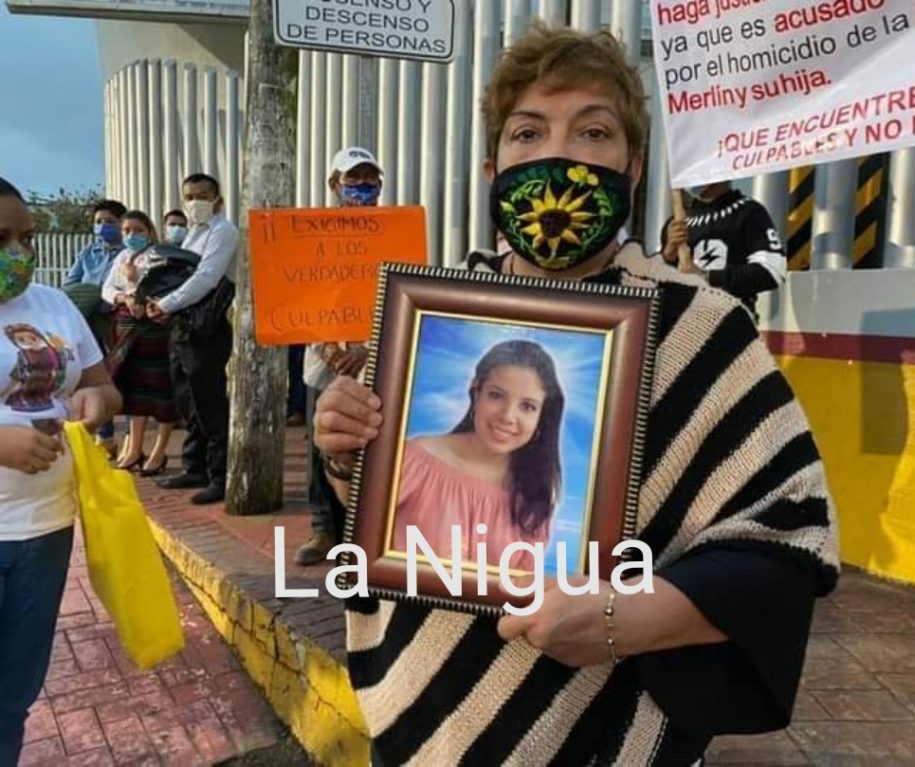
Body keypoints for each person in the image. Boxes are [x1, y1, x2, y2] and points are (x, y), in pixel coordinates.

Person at [314, 23, 839, 765]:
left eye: (592, 131)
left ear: (633, 165)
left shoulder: (700, 329)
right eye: (529, 134)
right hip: (420, 718)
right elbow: (373, 524)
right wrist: (343, 452)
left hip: (602, 731)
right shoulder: (427, 318)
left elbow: (788, 540)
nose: (558, 157)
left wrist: (629, 618)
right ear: (494, 167)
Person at [0, 177, 122, 765]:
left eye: (25, 237)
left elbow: (101, 385)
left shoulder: (52, 304)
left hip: (46, 529)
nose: (17, 253)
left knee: (14, 695)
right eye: (0, 238)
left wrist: (99, 404)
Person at [394, 340, 562, 571]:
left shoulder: (534, 498)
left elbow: (519, 587)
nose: (508, 416)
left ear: (542, 416)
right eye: (496, 395)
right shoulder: (413, 460)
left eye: (528, 407)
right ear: (476, 392)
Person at [293, 147, 381, 565]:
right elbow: (300, 296)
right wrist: (328, 345)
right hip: (323, 362)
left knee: (369, 445)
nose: (363, 186)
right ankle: (323, 529)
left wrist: (367, 349)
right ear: (334, 184)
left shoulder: (395, 234)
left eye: (369, 178)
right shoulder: (313, 236)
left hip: (377, 361)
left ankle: (361, 534)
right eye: (353, 178)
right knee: (321, 445)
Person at [149, 174, 238, 505]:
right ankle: (194, 466)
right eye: (189, 196)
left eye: (202, 195)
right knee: (188, 399)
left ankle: (220, 476)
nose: (195, 202)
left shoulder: (222, 231)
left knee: (210, 402)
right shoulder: (192, 235)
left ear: (216, 198)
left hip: (207, 327)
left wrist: (166, 303)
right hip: (183, 326)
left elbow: (206, 278)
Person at [101, 211, 177, 475]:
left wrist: (133, 283)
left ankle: (159, 451)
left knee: (159, 389)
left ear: (149, 231)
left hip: (153, 329)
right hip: (125, 328)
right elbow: (107, 290)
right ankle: (134, 448)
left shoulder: (160, 256)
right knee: (134, 391)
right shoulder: (121, 257)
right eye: (127, 231)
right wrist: (124, 298)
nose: (132, 236)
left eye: (138, 230)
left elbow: (161, 290)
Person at [660, 181, 787, 318]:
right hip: (683, 325)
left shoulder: (750, 212)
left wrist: (708, 277)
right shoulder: (676, 223)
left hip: (731, 323)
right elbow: (651, 280)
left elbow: (772, 271)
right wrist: (668, 256)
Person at [63, 198, 127, 453]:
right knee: (91, 375)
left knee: (117, 375)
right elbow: (71, 282)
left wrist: (104, 297)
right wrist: (89, 294)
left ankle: (131, 436)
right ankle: (105, 435)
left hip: (113, 319)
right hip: (86, 319)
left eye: (109, 222)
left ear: (121, 223)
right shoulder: (88, 252)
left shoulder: (127, 254)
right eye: (98, 222)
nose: (103, 226)